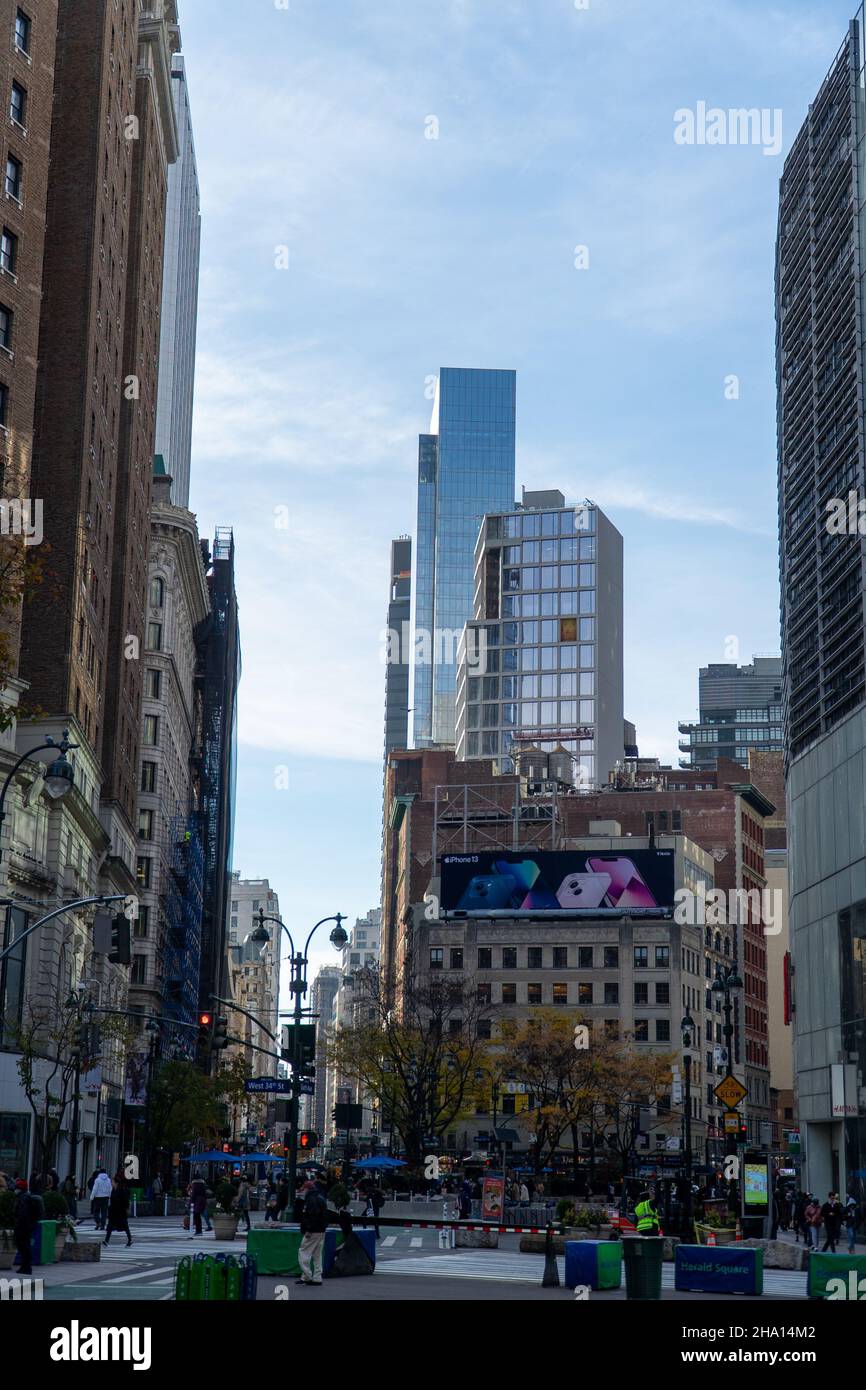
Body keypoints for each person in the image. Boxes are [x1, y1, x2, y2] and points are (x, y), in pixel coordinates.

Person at [296, 1179, 329, 1287]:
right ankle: (317, 1277)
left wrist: (309, 1229)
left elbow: (312, 1215)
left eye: (303, 1189)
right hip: (321, 1230)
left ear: (307, 1189)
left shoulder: (311, 1199)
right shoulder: (320, 1198)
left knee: (303, 1252)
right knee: (317, 1254)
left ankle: (307, 1275)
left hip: (313, 1230)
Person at [13, 1178, 43, 1276]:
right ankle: (25, 1266)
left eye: (17, 1187)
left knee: (23, 1247)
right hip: (28, 1226)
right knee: (25, 1247)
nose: (15, 1189)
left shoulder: (23, 1199)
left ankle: (26, 1267)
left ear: (20, 1188)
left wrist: (18, 1223)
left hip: (23, 1227)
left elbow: (22, 1214)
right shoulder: (27, 1197)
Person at [104, 1178, 132, 1248]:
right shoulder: (113, 1190)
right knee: (109, 1226)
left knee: (125, 1226)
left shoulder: (121, 1190)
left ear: (116, 1183)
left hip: (121, 1211)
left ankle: (130, 1240)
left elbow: (126, 1200)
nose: (111, 1183)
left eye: (113, 1182)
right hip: (113, 1212)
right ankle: (106, 1241)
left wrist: (127, 1208)